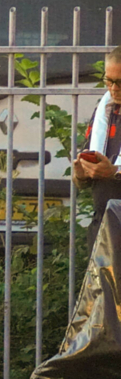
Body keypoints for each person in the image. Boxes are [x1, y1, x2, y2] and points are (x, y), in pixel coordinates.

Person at [73, 45, 121, 252]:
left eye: (120, 82)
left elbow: (112, 172)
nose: (113, 89)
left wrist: (115, 172)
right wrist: (81, 175)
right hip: (105, 228)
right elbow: (82, 181)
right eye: (108, 81)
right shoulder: (105, 111)